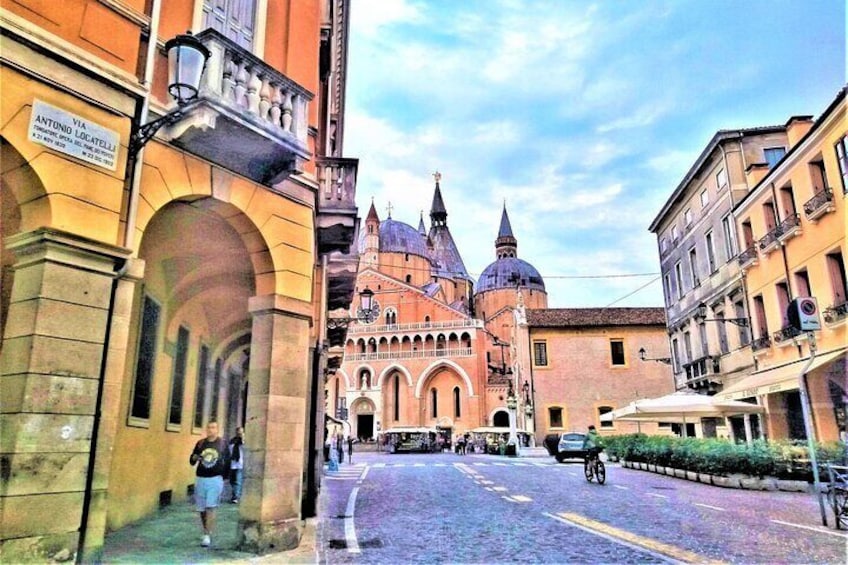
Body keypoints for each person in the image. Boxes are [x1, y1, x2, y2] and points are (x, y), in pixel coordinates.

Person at [190, 421, 230, 548]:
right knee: (201, 508)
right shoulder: (201, 443)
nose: (210, 430)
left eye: (213, 427)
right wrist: (194, 458)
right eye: (208, 427)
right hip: (201, 477)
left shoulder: (222, 444)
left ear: (217, 429)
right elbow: (192, 460)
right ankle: (206, 530)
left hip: (215, 478)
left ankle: (207, 534)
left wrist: (224, 477)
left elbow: (228, 461)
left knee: (210, 506)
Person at [228, 426, 245, 504]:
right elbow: (229, 450)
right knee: (231, 481)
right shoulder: (232, 441)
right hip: (233, 464)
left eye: (241, 432)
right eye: (238, 432)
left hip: (240, 464)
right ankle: (236, 494)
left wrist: (243, 438)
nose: (239, 433)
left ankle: (235, 497)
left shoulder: (243, 441)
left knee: (238, 481)